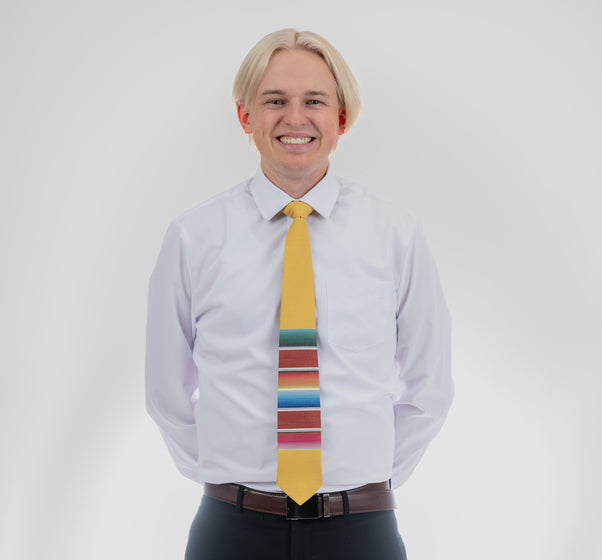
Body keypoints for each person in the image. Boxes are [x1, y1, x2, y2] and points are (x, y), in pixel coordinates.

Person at [146, 28, 453, 560]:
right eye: (274, 101)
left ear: (341, 118)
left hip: (362, 531)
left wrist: (361, 483)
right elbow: (166, 394)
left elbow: (429, 390)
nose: (295, 118)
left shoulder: (395, 234)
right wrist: (234, 481)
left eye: (314, 101)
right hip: (231, 530)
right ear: (246, 117)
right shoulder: (193, 237)